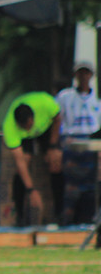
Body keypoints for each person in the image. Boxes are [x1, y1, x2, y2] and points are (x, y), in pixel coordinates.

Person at [1, 91, 62, 225]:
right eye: (24, 127)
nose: (28, 129)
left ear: (33, 117)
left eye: (29, 125)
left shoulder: (46, 104)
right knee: (25, 163)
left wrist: (52, 146)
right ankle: (20, 216)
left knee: (55, 161)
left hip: (46, 128)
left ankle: (59, 214)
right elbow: (20, 162)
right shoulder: (10, 127)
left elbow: (58, 118)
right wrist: (31, 190)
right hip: (24, 139)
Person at [55, 61, 101, 224]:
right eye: (80, 73)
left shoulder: (96, 100)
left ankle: (87, 219)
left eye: (86, 73)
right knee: (71, 186)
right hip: (71, 142)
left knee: (91, 186)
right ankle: (67, 220)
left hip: (91, 143)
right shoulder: (65, 97)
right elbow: (57, 119)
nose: (83, 77)